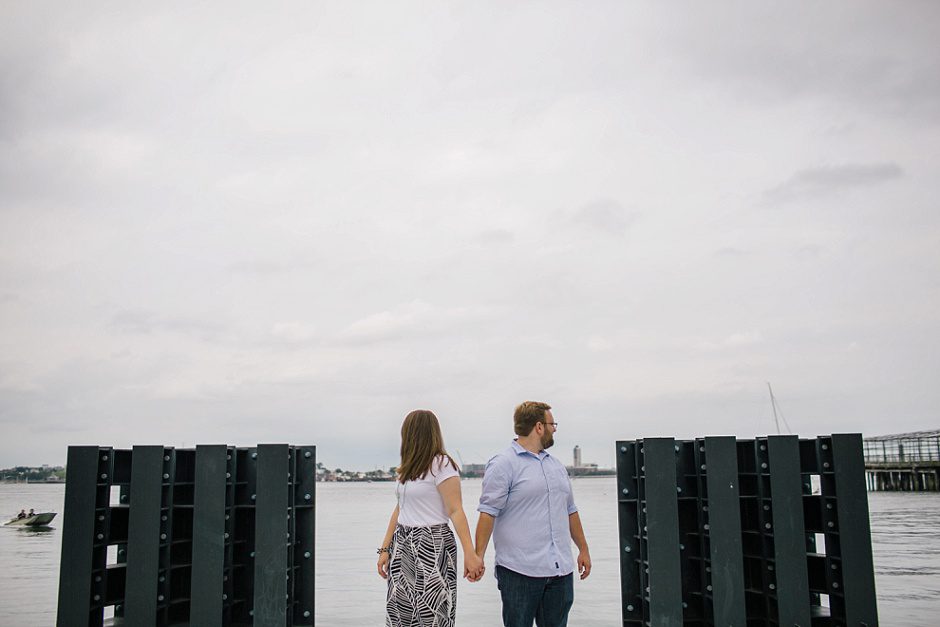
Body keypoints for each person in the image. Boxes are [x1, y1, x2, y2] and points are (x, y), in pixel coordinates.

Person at [472, 401, 591, 627]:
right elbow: (487, 513)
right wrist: (478, 556)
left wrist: (583, 548)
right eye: (551, 424)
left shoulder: (556, 466)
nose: (554, 428)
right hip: (519, 571)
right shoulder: (503, 464)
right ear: (538, 427)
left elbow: (570, 511)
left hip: (560, 571)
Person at [377, 409, 484, 627]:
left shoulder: (442, 465)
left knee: (433, 611)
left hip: (433, 543)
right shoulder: (407, 469)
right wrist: (384, 549)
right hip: (403, 544)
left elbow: (456, 510)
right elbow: (400, 509)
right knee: (400, 611)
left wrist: (470, 554)